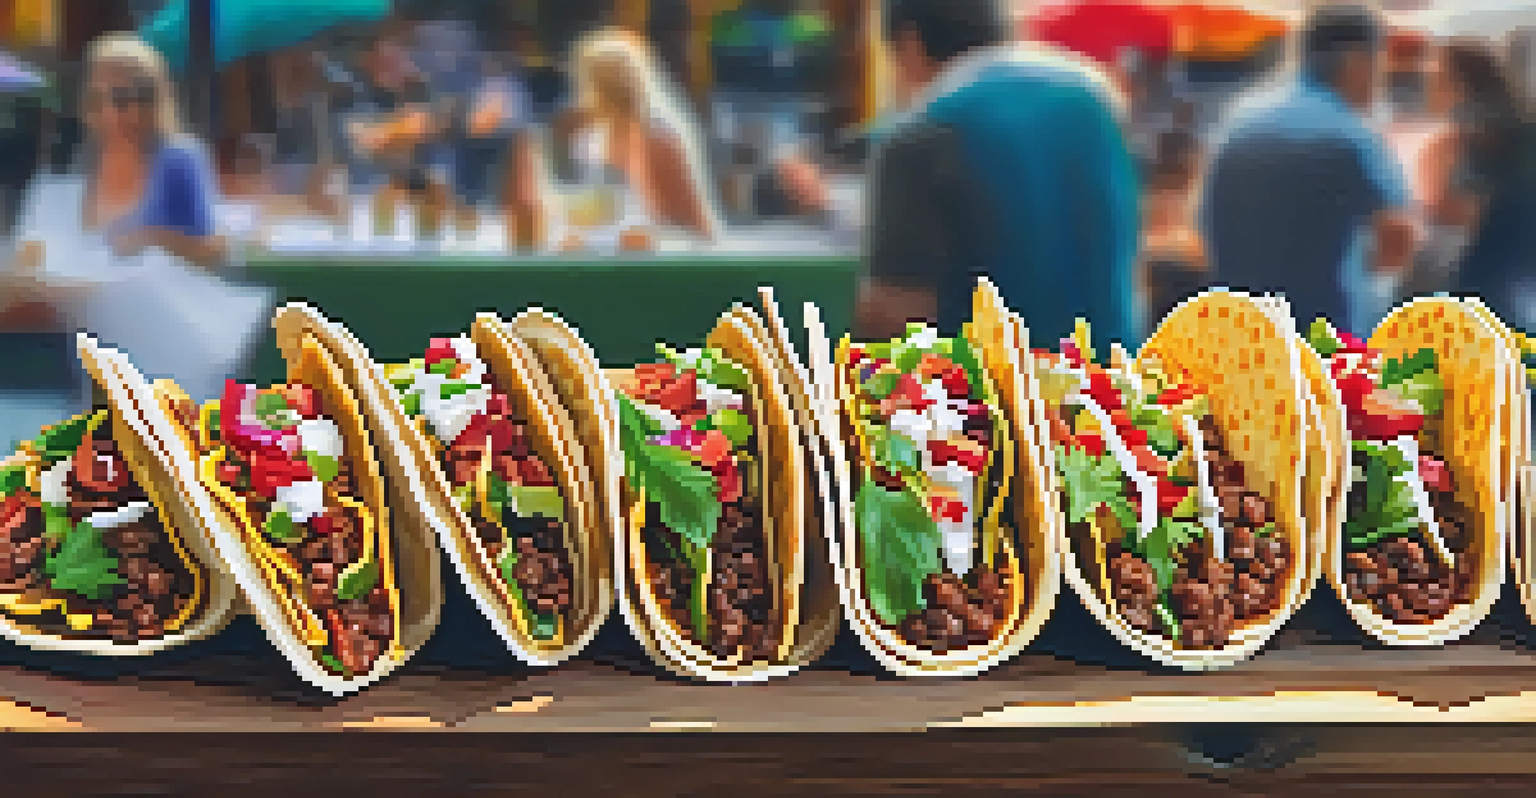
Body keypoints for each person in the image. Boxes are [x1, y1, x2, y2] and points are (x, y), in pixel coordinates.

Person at [2, 33, 270, 408]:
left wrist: (153, 236)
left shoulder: (177, 161)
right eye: (98, 99)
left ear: (152, 100)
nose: (111, 112)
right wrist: (34, 274)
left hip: (180, 364)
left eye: (125, 99)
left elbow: (215, 250)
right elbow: (31, 263)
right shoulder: (70, 171)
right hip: (101, 367)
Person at [854, 0, 1140, 349]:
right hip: (1110, 387)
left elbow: (896, 311)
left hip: (983, 393)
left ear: (909, 43)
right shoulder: (1096, 100)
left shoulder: (922, 132)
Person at [1199, 3, 1415, 337]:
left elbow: (1207, 225)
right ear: (1357, 62)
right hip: (1326, 343)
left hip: (1240, 338)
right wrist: (1368, 279)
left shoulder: (1238, 123)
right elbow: (1399, 234)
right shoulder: (1351, 133)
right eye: (1380, 65)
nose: (1381, 80)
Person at [559, 27, 724, 242]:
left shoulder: (658, 139)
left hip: (655, 255)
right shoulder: (587, 143)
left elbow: (692, 216)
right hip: (602, 253)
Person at [1417, 41, 1536, 331]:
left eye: (1437, 78)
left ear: (1464, 86)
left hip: (1486, 295)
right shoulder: (1517, 132)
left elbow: (1461, 217)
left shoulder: (1465, 142)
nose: (1428, 88)